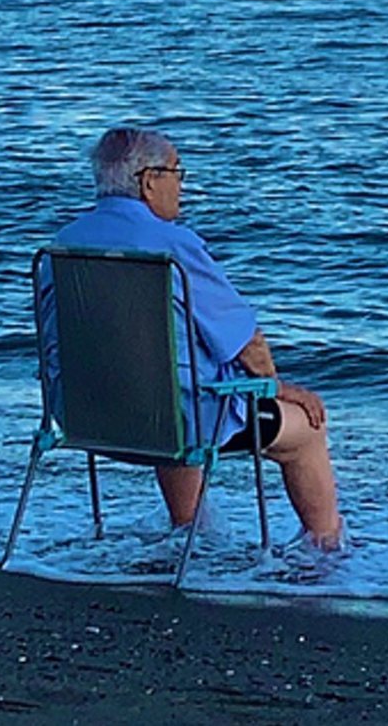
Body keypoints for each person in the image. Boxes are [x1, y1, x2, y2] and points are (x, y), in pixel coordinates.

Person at [39, 127, 345, 550]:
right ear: (149, 181)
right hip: (174, 426)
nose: (181, 185)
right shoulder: (174, 247)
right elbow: (247, 342)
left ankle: (190, 531)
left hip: (84, 417)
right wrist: (276, 389)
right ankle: (326, 549)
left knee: (169, 382)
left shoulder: (63, 244)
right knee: (307, 429)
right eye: (177, 172)